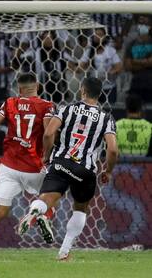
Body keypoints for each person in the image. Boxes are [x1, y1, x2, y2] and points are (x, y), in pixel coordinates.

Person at [18, 77, 118, 261]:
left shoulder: (67, 109)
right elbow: (112, 150)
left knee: (46, 199)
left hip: (61, 162)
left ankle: (35, 212)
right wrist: (108, 171)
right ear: (99, 94)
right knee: (80, 209)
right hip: (85, 170)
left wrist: (47, 156)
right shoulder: (106, 118)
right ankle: (64, 252)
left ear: (82, 91)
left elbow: (48, 133)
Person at [0, 73, 55, 260]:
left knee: (1, 209)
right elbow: (49, 133)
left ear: (19, 89)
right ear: (38, 86)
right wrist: (47, 155)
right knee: (51, 196)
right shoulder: (46, 106)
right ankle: (40, 216)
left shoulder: (10, 103)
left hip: (9, 167)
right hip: (34, 165)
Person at [124, 18, 152, 103]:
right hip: (136, 83)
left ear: (150, 26)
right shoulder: (131, 44)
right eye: (141, 23)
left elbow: (151, 63)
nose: (143, 26)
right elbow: (128, 66)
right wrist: (145, 62)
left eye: (145, 23)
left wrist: (134, 61)